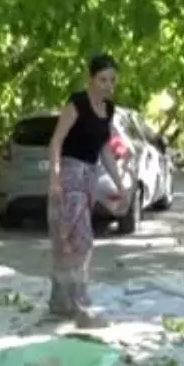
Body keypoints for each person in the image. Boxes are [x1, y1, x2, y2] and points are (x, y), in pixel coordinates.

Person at [45, 53, 127, 327]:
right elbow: (56, 141)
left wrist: (119, 184)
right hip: (69, 175)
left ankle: (60, 303)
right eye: (102, 79)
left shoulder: (109, 110)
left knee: (70, 241)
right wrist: (55, 178)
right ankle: (81, 305)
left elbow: (104, 148)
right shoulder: (77, 103)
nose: (107, 85)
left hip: (89, 177)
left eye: (112, 80)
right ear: (91, 79)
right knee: (81, 239)